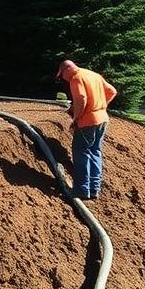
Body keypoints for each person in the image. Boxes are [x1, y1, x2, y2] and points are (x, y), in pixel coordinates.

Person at [57, 59, 118, 200]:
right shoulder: (93, 74)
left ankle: (82, 190)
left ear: (67, 69)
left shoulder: (76, 78)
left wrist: (76, 118)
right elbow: (112, 91)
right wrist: (99, 106)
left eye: (62, 76)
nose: (63, 79)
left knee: (81, 152)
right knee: (95, 151)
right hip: (103, 119)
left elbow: (81, 99)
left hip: (87, 122)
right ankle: (94, 189)